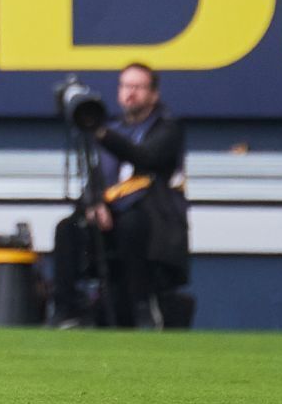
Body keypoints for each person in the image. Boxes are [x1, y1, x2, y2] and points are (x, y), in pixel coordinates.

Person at [50, 64, 189, 330]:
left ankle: (142, 306)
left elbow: (146, 157)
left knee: (132, 224)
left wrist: (100, 132)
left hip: (151, 219)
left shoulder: (168, 129)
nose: (130, 93)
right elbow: (95, 179)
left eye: (138, 87)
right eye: (125, 86)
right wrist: (94, 204)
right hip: (108, 220)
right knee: (67, 229)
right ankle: (66, 309)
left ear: (153, 94)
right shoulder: (114, 127)